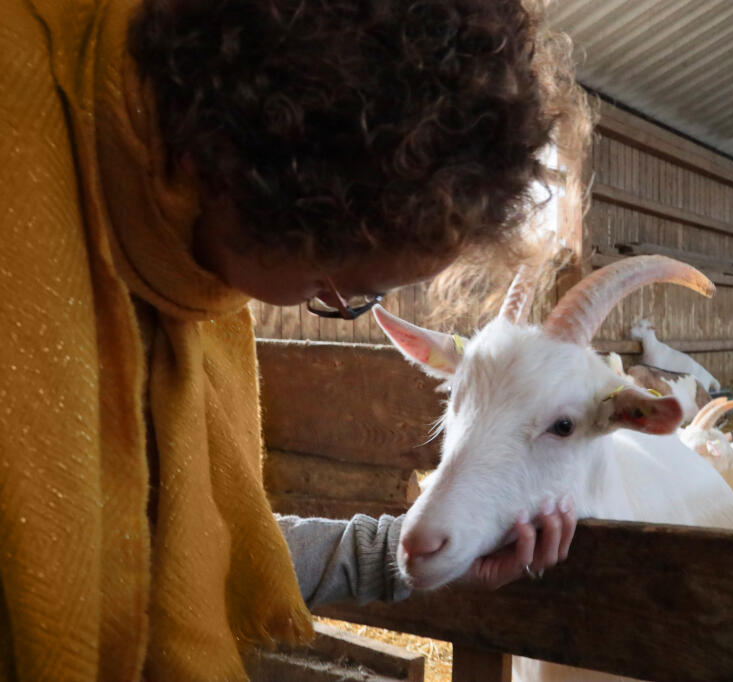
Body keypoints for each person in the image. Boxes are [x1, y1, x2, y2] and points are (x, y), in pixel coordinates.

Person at [0, 0, 591, 679]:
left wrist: (400, 552)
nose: (339, 301)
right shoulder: (28, 157)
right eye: (333, 281)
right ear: (283, 185)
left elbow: (182, 547)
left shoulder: (178, 257)